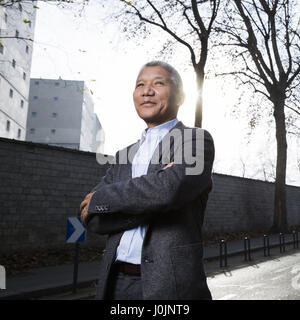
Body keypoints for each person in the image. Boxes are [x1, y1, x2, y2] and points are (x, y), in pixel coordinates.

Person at [80, 61, 215, 300]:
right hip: (115, 284)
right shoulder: (123, 156)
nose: (146, 91)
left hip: (171, 287)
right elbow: (93, 219)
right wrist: (154, 198)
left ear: (181, 96)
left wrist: (103, 199)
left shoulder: (196, 141)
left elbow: (170, 190)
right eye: (140, 84)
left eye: (158, 83)